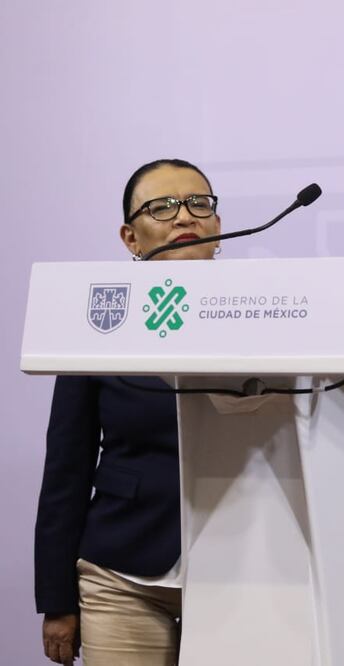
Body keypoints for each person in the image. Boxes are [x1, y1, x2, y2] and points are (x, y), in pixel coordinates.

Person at [34, 158, 222, 665]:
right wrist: (56, 599)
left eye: (198, 204)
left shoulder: (267, 313)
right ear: (130, 238)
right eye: (162, 207)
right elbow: (66, 469)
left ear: (219, 227)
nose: (185, 218)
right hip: (122, 572)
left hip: (242, 571)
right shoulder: (98, 323)